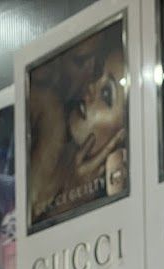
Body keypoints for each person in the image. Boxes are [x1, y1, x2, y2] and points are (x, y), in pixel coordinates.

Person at [28, 25, 128, 227]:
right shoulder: (47, 120)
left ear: (122, 135)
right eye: (98, 76)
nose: (90, 87)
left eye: (106, 94)